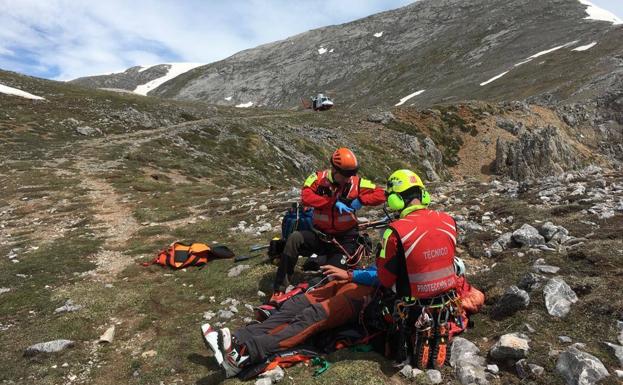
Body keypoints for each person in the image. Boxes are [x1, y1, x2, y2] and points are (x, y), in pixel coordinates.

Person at [272, 147, 385, 294]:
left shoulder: (357, 183)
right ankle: (280, 288)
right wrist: (331, 202)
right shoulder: (318, 179)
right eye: (345, 175)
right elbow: (306, 197)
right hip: (319, 236)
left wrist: (361, 200)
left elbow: (381, 194)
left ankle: (306, 292)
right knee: (294, 238)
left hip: (344, 240)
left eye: (351, 174)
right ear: (334, 170)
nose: (348, 178)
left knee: (333, 277)